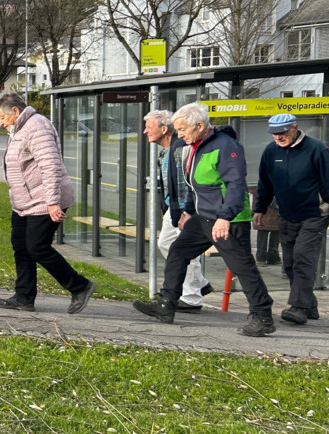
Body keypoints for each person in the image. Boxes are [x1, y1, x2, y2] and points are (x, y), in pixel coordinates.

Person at [134, 103, 274, 336]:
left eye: (182, 129)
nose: (179, 135)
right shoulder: (196, 146)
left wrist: (225, 217)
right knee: (177, 251)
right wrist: (188, 211)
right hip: (203, 217)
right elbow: (195, 184)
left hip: (228, 220)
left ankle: (263, 316)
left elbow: (236, 185)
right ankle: (166, 304)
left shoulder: (226, 146)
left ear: (199, 126)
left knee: (242, 266)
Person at [0, 91, 96, 314]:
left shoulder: (37, 126)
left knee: (36, 247)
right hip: (24, 202)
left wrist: (52, 202)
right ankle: (24, 297)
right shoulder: (19, 129)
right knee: (21, 246)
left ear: (15, 111)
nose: (0, 123)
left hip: (44, 200)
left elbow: (50, 166)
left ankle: (80, 286)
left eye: (2, 117)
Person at [252, 113, 329, 325]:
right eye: (274, 133)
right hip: (286, 214)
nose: (278, 137)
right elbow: (265, 182)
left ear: (295, 127)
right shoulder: (271, 151)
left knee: (303, 258)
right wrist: (260, 208)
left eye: (283, 132)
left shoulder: (317, 149)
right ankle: (309, 305)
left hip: (314, 214)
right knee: (289, 263)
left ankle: (299, 307)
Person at [143, 109, 213, 310]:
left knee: (182, 248)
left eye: (149, 127)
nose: (145, 131)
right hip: (173, 208)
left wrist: (185, 211)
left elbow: (185, 183)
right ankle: (199, 283)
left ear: (164, 129)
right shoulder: (167, 150)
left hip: (182, 209)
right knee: (167, 244)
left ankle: (192, 296)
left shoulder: (179, 148)